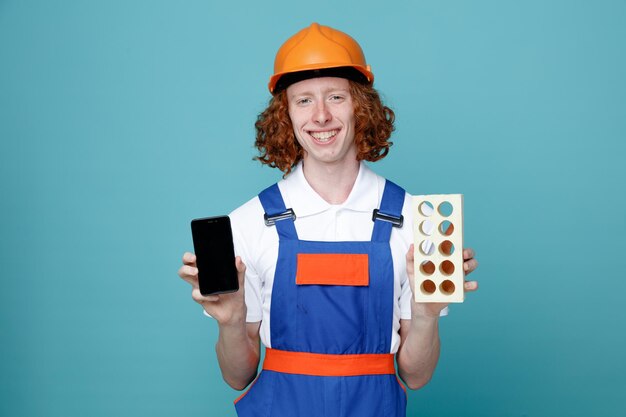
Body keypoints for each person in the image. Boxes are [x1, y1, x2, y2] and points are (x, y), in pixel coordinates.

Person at [178, 23, 479, 417]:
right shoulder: (249, 222)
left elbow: (416, 376)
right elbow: (237, 376)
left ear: (361, 106)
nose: (321, 116)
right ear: (285, 115)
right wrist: (231, 322)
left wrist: (426, 314)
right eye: (303, 101)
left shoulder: (414, 220)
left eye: (336, 97)